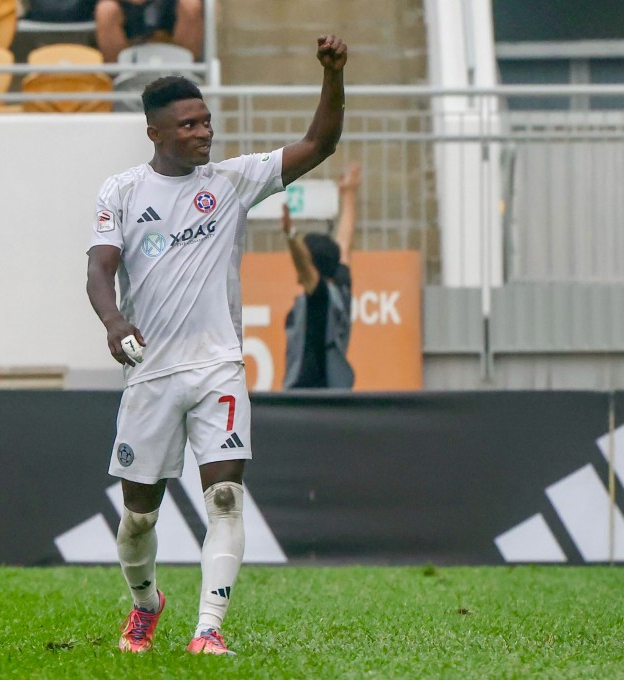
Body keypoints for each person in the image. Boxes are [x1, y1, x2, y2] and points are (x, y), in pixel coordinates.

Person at [85, 35, 348, 655]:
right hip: (150, 372)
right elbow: (99, 270)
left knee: (225, 498)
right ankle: (146, 605)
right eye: (189, 124)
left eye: (206, 120)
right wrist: (114, 322)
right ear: (156, 133)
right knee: (137, 520)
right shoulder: (120, 192)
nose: (204, 131)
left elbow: (320, 144)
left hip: (217, 368)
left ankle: (209, 630)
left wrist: (333, 76)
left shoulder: (232, 181)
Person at [281, 162, 360, 390]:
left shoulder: (321, 298)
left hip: (309, 396)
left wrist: (290, 235)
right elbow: (344, 247)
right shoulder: (341, 286)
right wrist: (349, 195)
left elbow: (305, 268)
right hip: (335, 395)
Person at [94, 0, 202, 63]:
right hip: (125, 10)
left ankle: (187, 75)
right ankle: (119, 82)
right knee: (106, 11)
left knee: (191, 5)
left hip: (168, 9)